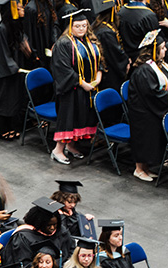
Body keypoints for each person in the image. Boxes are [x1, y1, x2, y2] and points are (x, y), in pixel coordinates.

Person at [50, 9, 101, 165]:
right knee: (69, 119)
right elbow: (63, 68)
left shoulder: (88, 41)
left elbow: (100, 60)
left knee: (80, 118)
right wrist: (82, 83)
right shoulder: (63, 43)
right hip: (70, 90)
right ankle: (57, 150)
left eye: (84, 25)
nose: (81, 29)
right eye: (77, 26)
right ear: (70, 27)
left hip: (86, 89)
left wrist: (98, 76)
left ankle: (71, 146)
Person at [128, 30, 168, 181]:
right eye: (162, 48)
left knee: (151, 139)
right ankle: (139, 169)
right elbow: (151, 93)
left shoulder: (159, 65)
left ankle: (146, 168)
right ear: (154, 50)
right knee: (143, 139)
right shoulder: (144, 70)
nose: (166, 50)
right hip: (142, 111)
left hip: (151, 109)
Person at [0, 1, 36, 141]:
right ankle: (0, 129)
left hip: (17, 67)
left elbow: (23, 42)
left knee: (15, 97)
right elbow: (1, 53)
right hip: (5, 71)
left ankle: (14, 125)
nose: (23, 9)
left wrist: (29, 52)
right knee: (4, 98)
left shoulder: (16, 25)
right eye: (20, 8)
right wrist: (14, 68)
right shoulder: (2, 29)